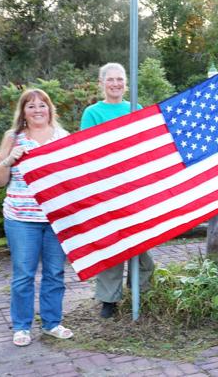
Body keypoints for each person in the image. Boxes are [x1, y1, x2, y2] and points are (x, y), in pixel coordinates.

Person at [0, 89, 74, 347]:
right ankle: (22, 327)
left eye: (42, 105)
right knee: (24, 274)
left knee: (54, 273)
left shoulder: (62, 137)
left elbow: (71, 178)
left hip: (56, 218)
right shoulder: (13, 137)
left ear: (50, 109)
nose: (37, 110)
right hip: (21, 218)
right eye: (31, 106)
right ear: (23, 112)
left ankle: (51, 323)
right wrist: (9, 160)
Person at [80, 62, 155, 318]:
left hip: (133, 188)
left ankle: (142, 292)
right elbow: (88, 151)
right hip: (106, 189)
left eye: (120, 79)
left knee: (139, 243)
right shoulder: (93, 113)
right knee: (111, 244)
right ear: (101, 83)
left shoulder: (136, 109)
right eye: (110, 79)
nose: (115, 84)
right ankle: (108, 299)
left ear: (126, 83)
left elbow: (143, 148)